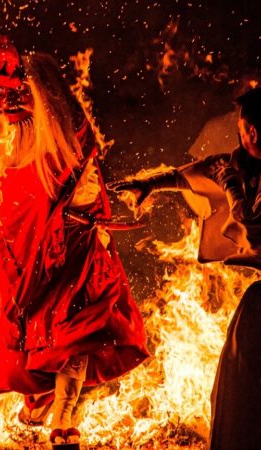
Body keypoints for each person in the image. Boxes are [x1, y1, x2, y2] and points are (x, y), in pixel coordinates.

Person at [0, 34, 149, 445]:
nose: (2, 107)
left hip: (70, 253)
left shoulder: (63, 147)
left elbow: (65, 118)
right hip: (25, 268)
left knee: (75, 334)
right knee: (32, 342)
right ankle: (43, 405)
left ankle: (64, 419)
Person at [109, 87, 261, 450]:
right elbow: (193, 173)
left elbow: (252, 234)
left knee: (246, 393)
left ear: (252, 130)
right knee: (235, 388)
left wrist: (231, 190)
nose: (241, 135)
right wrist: (149, 184)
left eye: (244, 128)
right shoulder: (245, 164)